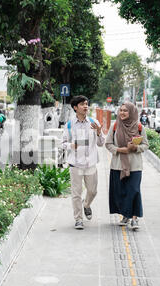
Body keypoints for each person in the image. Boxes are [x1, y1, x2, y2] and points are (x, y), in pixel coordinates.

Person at [62, 95, 105, 230]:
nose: (85, 106)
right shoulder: (69, 125)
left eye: (86, 104)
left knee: (92, 191)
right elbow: (62, 143)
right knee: (76, 193)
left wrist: (99, 132)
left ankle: (86, 205)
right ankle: (78, 219)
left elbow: (101, 143)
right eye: (82, 104)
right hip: (75, 164)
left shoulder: (94, 122)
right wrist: (71, 146)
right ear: (75, 108)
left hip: (91, 163)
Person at [105, 102, 149, 230]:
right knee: (120, 192)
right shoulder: (115, 126)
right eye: (121, 110)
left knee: (134, 191)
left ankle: (134, 219)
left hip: (135, 166)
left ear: (132, 112)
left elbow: (146, 145)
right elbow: (108, 144)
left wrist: (136, 147)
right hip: (117, 165)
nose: (122, 113)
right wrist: (119, 150)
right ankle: (125, 215)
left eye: (125, 111)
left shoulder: (139, 127)